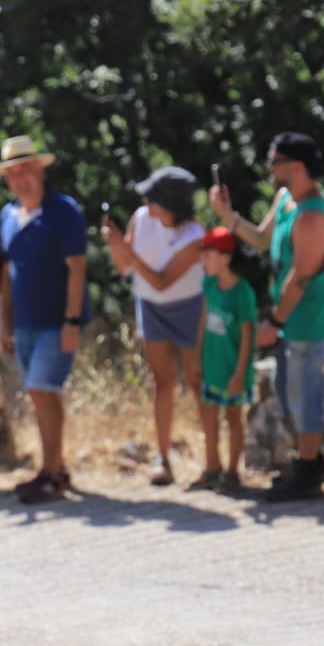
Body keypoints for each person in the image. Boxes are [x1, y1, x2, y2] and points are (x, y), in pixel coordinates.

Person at [212, 132, 324, 502]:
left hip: (309, 319)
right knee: (291, 393)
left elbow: (300, 276)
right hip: (292, 318)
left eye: (275, 160)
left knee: (305, 392)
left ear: (297, 167)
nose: (269, 167)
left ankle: (307, 469)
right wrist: (229, 216)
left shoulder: (311, 217)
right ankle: (308, 462)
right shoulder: (286, 199)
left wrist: (275, 322)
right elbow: (260, 238)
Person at [0, 135, 90, 504]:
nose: (20, 178)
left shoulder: (64, 212)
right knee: (43, 396)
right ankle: (55, 467)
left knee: (41, 390)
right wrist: (5, 322)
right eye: (13, 173)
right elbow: (7, 273)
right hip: (24, 322)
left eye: (26, 169)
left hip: (56, 321)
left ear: (40, 170)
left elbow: (77, 268)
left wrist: (72, 322)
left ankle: (50, 475)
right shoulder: (8, 215)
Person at [104, 165, 204, 487]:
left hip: (189, 307)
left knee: (197, 380)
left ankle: (211, 460)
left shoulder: (194, 237)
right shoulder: (141, 219)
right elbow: (125, 267)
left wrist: (126, 248)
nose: (146, 200)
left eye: (154, 196)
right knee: (162, 383)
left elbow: (162, 281)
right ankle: (163, 460)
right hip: (150, 306)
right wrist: (115, 245)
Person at [189, 228, 256, 493]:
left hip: (232, 370)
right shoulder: (209, 285)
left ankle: (232, 472)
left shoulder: (243, 294)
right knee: (208, 416)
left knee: (233, 417)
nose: (202, 262)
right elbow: (203, 321)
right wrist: (196, 359)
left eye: (207, 256)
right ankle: (212, 468)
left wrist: (239, 374)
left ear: (226, 257)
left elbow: (248, 337)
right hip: (212, 367)